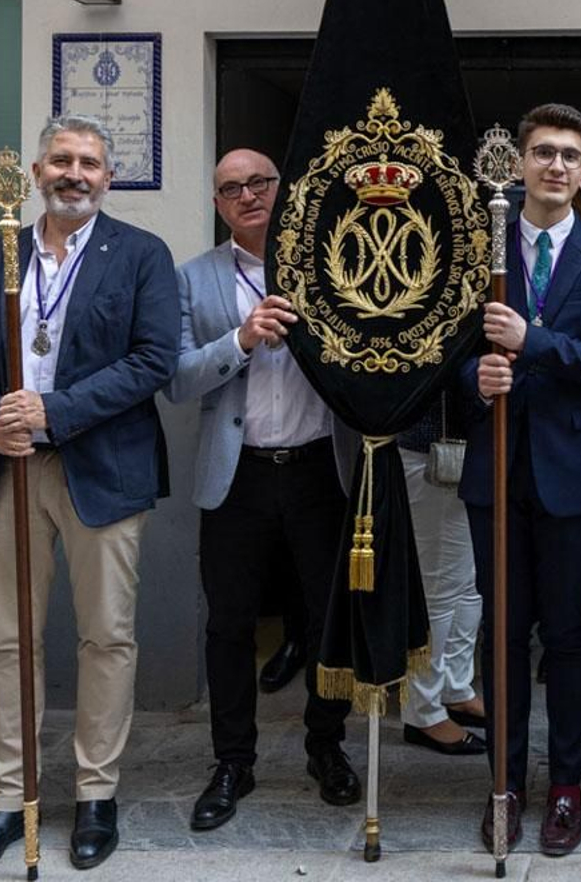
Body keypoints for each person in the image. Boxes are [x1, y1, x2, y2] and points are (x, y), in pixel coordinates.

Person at [0, 113, 178, 876]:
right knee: (8, 639)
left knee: (106, 636)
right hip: (4, 466)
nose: (75, 173)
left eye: (90, 163)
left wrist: (55, 409)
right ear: (37, 172)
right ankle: (11, 797)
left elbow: (153, 358)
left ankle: (97, 793)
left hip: (100, 469)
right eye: (61, 160)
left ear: (110, 178)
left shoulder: (141, 254)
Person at [167, 148, 362, 833]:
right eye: (231, 188)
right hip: (238, 475)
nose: (248, 195)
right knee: (230, 623)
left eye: (259, 183)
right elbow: (178, 379)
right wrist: (241, 340)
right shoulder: (192, 279)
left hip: (319, 468)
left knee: (322, 619)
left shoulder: (329, 264)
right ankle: (233, 760)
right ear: (218, 203)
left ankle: (325, 745)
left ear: (283, 191)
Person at [460, 103, 581, 855]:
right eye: (542, 152)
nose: (555, 165)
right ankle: (505, 784)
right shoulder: (478, 246)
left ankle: (567, 786)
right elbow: (443, 354)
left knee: (567, 636)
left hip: (573, 472)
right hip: (494, 469)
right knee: (501, 634)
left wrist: (535, 341)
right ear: (519, 164)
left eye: (568, 154)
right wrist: (476, 375)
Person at [397, 392, 485, 755]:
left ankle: (455, 689)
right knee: (440, 588)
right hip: (432, 451)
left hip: (473, 448)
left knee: (470, 583)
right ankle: (423, 711)